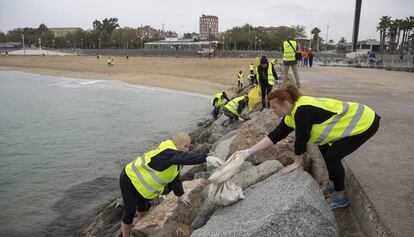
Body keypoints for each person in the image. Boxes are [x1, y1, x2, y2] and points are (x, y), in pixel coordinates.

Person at [233, 85, 380, 209]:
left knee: (333, 157)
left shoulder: (302, 110)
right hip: (358, 120)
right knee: (324, 149)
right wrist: (247, 152)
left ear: (285, 103)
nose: (273, 111)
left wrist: (297, 163)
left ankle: (341, 197)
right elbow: (276, 135)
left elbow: (301, 139)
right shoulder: (291, 113)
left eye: (274, 107)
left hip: (365, 122)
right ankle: (332, 184)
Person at [120, 132, 224, 237]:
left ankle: (139, 228)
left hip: (140, 182)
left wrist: (180, 195)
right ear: (178, 144)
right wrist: (206, 158)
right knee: (129, 212)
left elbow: (174, 177)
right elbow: (185, 157)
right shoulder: (167, 153)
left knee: (143, 207)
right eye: (185, 146)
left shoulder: (173, 158)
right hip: (129, 177)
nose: (187, 150)